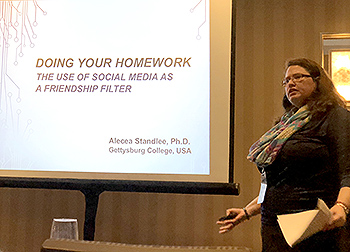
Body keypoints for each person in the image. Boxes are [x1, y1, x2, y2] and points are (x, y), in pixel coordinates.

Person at [216, 58, 350, 251]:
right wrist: (247, 211)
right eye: (286, 80)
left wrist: (342, 206)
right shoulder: (285, 125)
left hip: (314, 226)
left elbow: (348, 170)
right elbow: (276, 181)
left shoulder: (336, 117)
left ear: (317, 81)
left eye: (298, 77)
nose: (291, 83)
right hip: (273, 224)